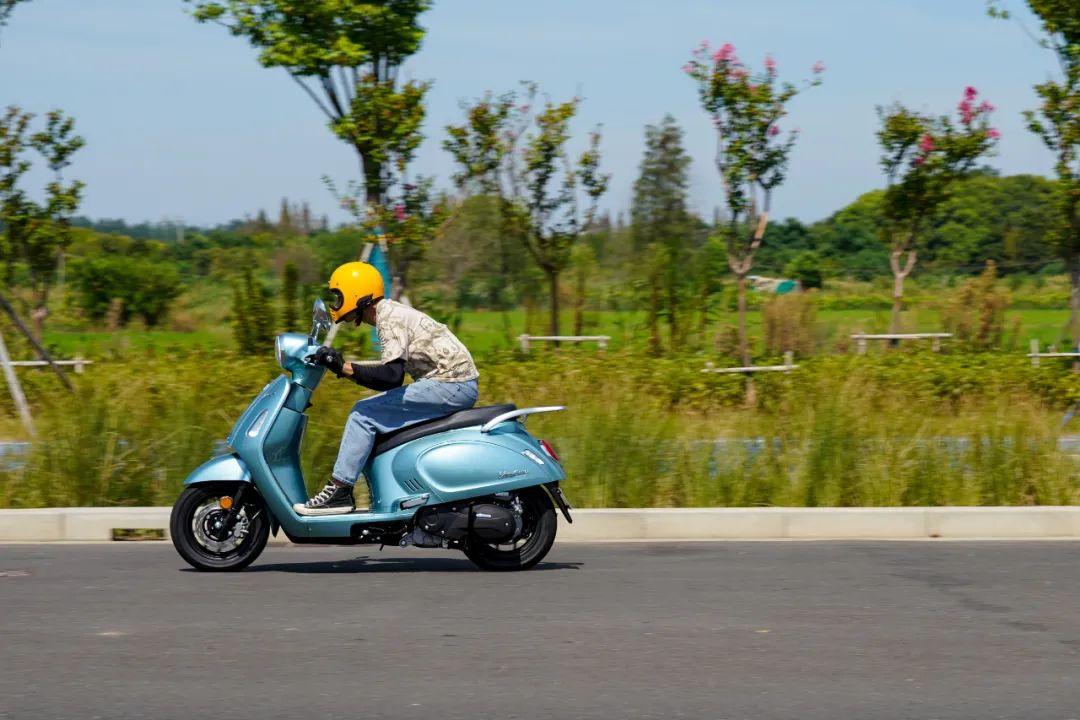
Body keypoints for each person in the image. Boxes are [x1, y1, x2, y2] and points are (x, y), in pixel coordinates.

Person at [296, 261, 479, 515]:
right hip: (453, 384)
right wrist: (343, 364)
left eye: (339, 296)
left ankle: (339, 490)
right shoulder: (389, 313)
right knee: (374, 415)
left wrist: (342, 367)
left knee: (363, 415)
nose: (336, 303)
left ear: (356, 294)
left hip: (452, 385)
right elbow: (391, 368)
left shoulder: (389, 318)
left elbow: (391, 377)